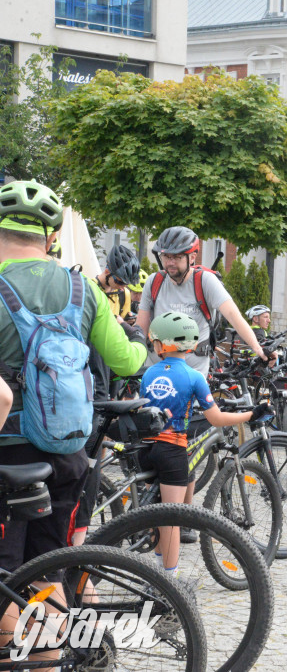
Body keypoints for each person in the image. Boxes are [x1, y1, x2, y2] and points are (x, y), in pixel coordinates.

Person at [0, 180, 148, 576]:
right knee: (50, 569)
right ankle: (52, 638)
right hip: (68, 450)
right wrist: (141, 341)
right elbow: (126, 361)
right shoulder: (84, 287)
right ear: (51, 238)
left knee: (7, 576)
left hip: (10, 452)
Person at [141, 311, 272, 577]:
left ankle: (154, 574)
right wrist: (251, 414)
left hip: (146, 450)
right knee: (171, 520)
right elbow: (215, 418)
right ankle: (168, 582)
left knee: (155, 514)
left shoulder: (148, 373)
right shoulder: (193, 376)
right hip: (172, 450)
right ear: (189, 345)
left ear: (161, 344)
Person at [138, 226, 272, 376]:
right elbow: (141, 328)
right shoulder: (154, 282)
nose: (170, 262)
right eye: (166, 256)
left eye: (177, 257)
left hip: (192, 372)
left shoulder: (205, 281)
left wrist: (258, 349)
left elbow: (234, 316)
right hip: (156, 369)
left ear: (193, 257)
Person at [96, 244, 141, 321]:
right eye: (120, 282)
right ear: (107, 272)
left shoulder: (124, 294)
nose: (123, 288)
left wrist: (128, 323)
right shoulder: (90, 289)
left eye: (127, 284)